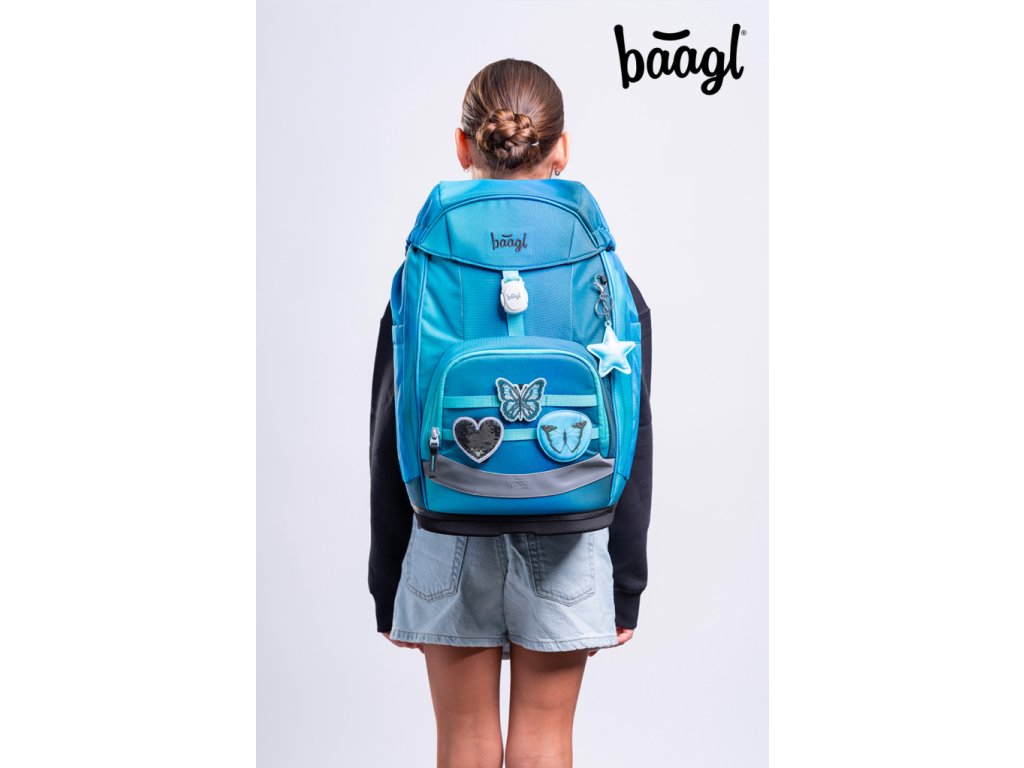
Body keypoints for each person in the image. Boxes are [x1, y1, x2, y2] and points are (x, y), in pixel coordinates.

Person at [368, 58, 653, 768]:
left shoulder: (423, 266)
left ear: (463, 145)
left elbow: (390, 422)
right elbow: (634, 424)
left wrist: (387, 575)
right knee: (546, 740)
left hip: (446, 518)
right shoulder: (604, 268)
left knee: (463, 741)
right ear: (562, 150)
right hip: (572, 516)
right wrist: (626, 581)